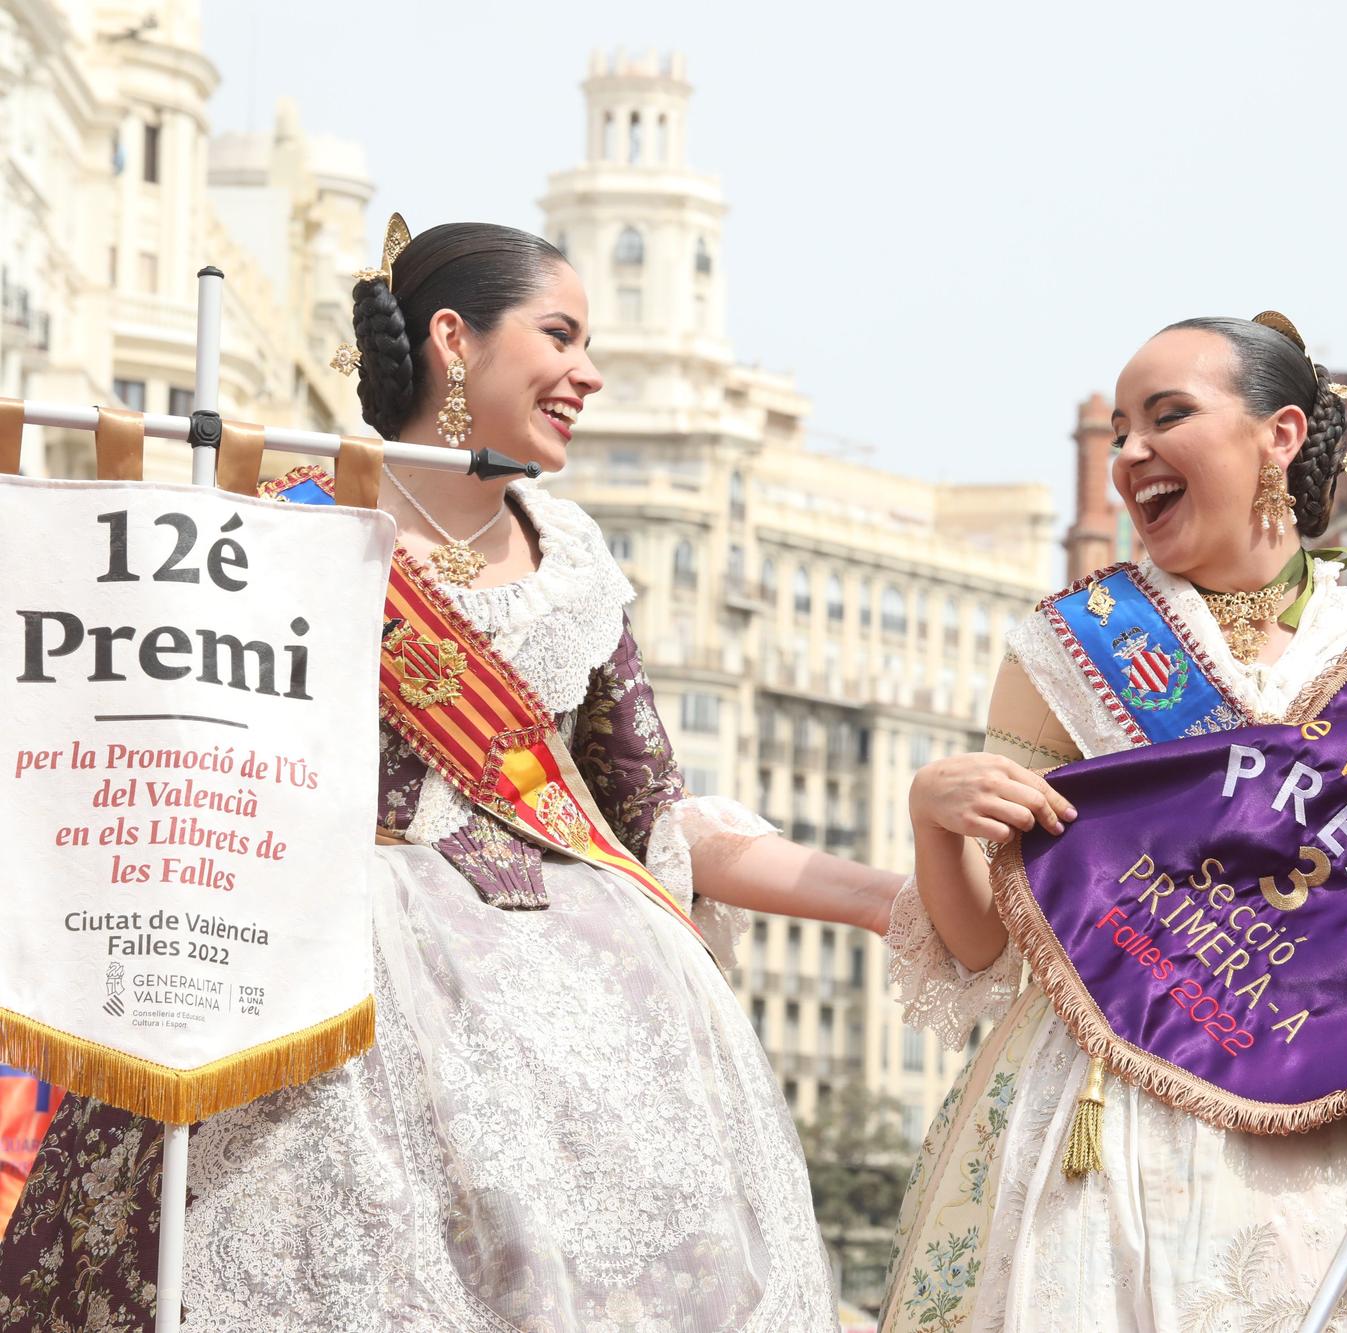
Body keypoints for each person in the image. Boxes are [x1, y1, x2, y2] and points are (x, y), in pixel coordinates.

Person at [0, 221, 900, 1331]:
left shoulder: (572, 559)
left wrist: (886, 900)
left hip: (584, 1001)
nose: (588, 371)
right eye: (559, 334)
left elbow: (651, 818)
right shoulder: (283, 516)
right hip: (331, 977)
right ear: (452, 340)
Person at [875, 314, 1347, 1331]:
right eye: (1122, 430)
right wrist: (931, 820)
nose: (1131, 452)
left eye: (1167, 416)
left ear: (1277, 435)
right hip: (1129, 1098)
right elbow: (981, 948)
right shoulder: (1071, 647)